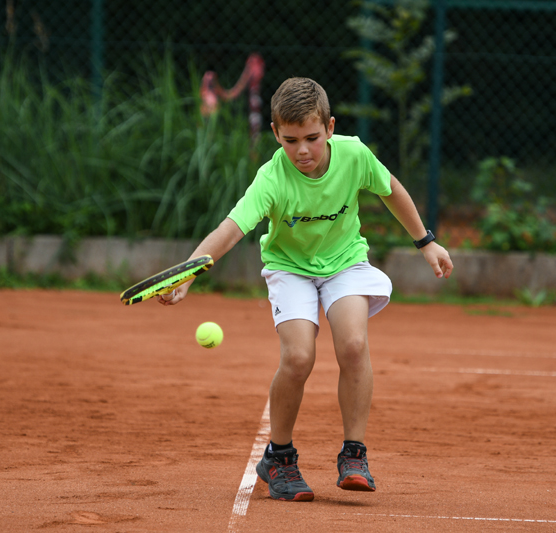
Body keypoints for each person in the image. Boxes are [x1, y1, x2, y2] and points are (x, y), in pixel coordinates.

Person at [157, 77, 453, 501]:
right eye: (290, 140)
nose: (302, 151)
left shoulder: (354, 155)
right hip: (289, 268)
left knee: (353, 345)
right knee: (298, 358)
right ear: (275, 133)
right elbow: (231, 229)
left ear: (330, 127)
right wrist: (188, 274)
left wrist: (426, 242)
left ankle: (354, 454)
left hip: (345, 261)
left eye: (312, 138)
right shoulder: (271, 178)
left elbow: (391, 190)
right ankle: (279, 458)